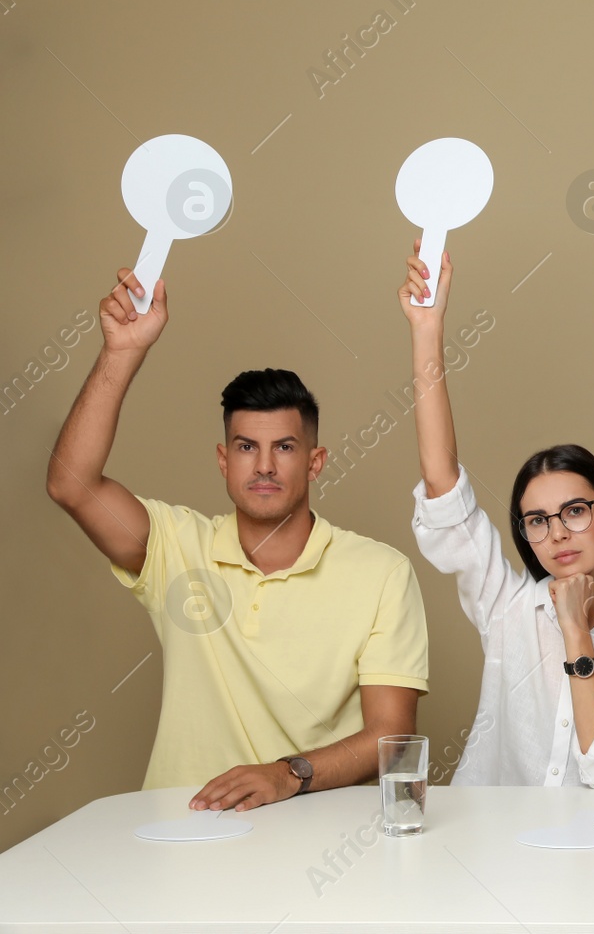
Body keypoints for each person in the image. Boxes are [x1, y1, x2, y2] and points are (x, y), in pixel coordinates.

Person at [46, 269, 429, 811]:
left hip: (312, 841)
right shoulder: (177, 545)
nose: (265, 465)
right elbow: (70, 483)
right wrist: (121, 349)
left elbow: (391, 740)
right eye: (247, 447)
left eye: (286, 448)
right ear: (224, 461)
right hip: (181, 831)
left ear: (316, 462)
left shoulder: (382, 572)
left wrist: (286, 775)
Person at [399, 244, 594, 787]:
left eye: (575, 511)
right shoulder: (506, 607)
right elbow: (444, 486)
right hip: (488, 851)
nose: (557, 532)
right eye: (537, 520)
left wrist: (574, 631)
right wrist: (427, 329)